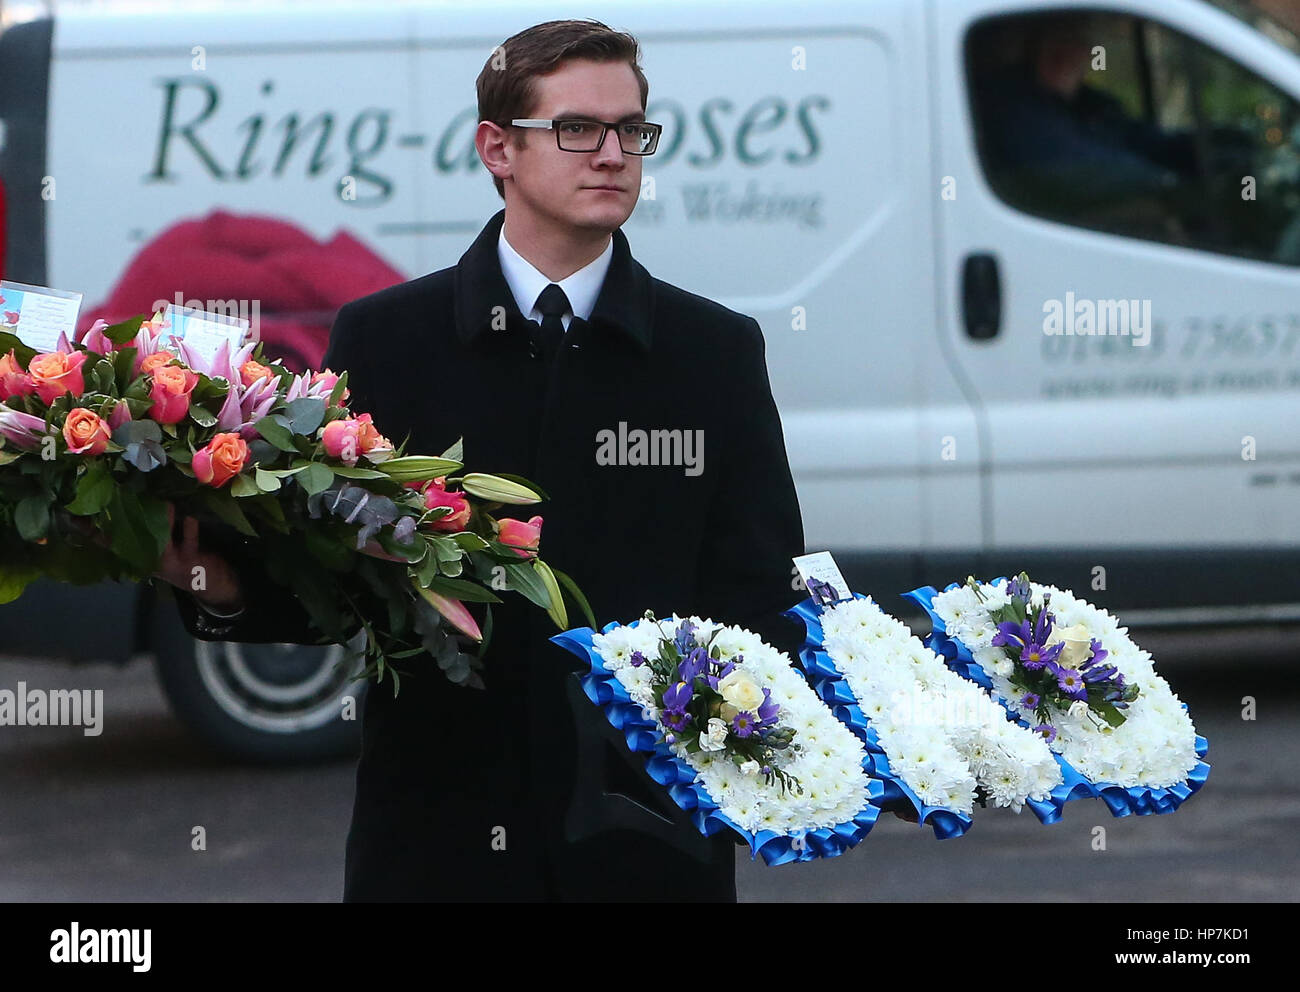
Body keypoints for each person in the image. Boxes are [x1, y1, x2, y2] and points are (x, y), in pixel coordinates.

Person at [154, 18, 819, 901]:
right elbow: (331, 588)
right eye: (578, 129)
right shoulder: (388, 338)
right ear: (497, 149)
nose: (613, 154)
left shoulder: (713, 352)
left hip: (645, 852)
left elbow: (760, 601)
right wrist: (221, 585)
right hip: (437, 844)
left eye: (632, 131)